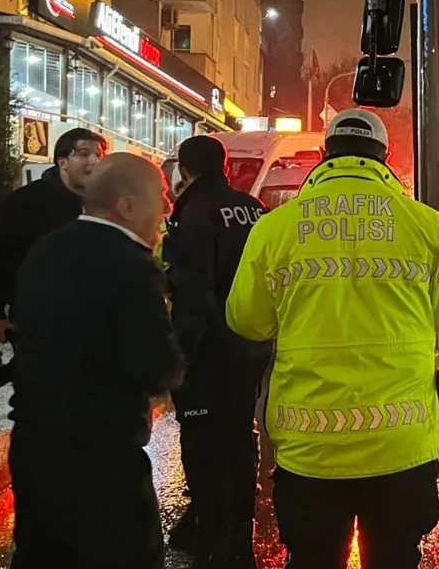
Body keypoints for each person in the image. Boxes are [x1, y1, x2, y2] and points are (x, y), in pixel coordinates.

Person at [226, 108, 439, 569]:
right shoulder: (427, 227)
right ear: (386, 157)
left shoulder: (274, 228)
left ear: (324, 155)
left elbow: (246, 322)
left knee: (313, 559)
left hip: (310, 453)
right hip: (402, 449)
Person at [6, 153, 185, 569]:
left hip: (34, 448)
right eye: (160, 196)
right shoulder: (131, 267)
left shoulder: (45, 250)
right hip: (100, 460)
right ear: (126, 206)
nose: (167, 207)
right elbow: (154, 368)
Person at [163, 135, 271, 567]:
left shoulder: (194, 211)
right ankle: (241, 519)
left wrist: (180, 353)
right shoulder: (251, 207)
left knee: (203, 436)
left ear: (184, 169)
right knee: (239, 428)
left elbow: (193, 289)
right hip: (251, 343)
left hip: (210, 346)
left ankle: (211, 523)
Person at [0, 128, 107, 344]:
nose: (94, 161)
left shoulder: (105, 203)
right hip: (38, 323)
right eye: (83, 154)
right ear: (62, 162)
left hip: (92, 325)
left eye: (99, 155)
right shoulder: (24, 204)